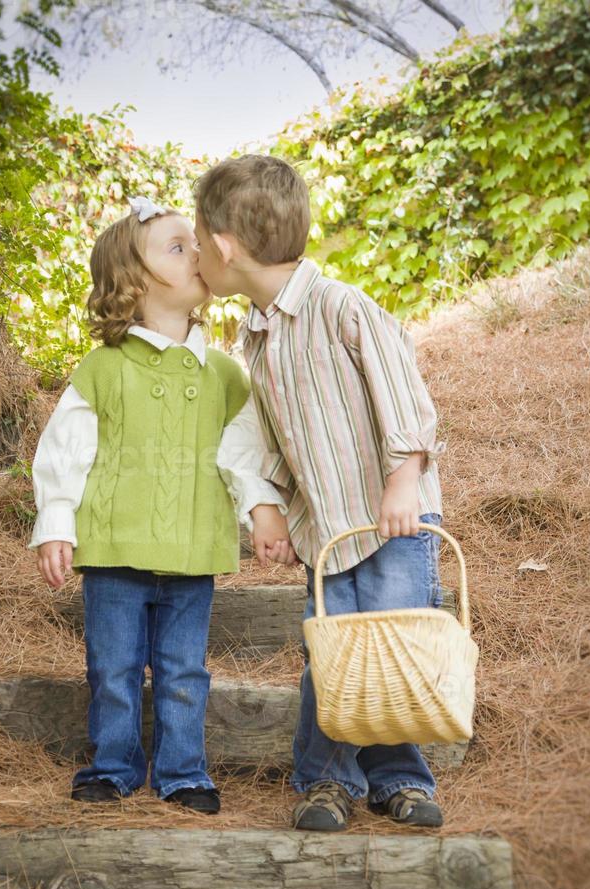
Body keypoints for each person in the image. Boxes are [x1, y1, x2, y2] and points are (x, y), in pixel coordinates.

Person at [193, 156, 448, 831]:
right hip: (330, 531)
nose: (196, 257)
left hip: (393, 518)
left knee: (391, 646)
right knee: (333, 655)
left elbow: (404, 397)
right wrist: (269, 506)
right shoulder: (257, 337)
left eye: (198, 243)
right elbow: (271, 436)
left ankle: (400, 777)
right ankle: (327, 780)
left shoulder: (340, 305)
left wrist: (403, 481)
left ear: (224, 248)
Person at [29, 197, 291, 815]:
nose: (196, 252)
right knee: (113, 667)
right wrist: (57, 522)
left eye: (196, 243)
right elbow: (65, 450)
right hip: (115, 547)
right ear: (135, 280)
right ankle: (114, 764)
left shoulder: (226, 375)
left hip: (191, 550)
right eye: (178, 246)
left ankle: (181, 770)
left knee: (182, 671)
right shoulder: (103, 368)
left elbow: (244, 452)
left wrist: (260, 509)